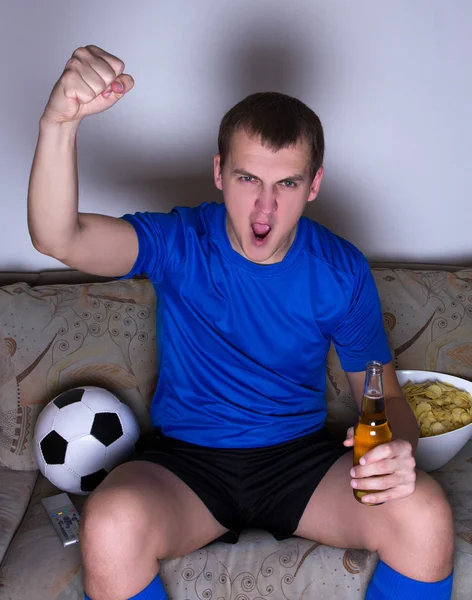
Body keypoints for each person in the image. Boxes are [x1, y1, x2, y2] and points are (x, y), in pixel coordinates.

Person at [28, 45, 455, 600]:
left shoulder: (340, 271)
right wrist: (58, 124)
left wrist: (399, 448)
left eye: (287, 184)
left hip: (298, 460)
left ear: (314, 185)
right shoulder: (180, 242)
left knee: (425, 513)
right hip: (187, 465)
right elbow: (59, 237)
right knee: (109, 524)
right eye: (249, 179)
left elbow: (386, 398)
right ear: (219, 174)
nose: (264, 209)